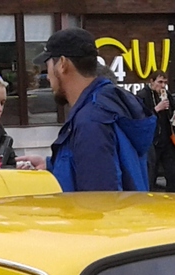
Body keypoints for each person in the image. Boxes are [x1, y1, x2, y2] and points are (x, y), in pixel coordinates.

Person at [36, 28, 153, 192]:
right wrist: (50, 165)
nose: (47, 76)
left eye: (47, 65)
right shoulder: (107, 105)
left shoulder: (91, 122)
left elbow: (98, 202)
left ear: (62, 64)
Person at [139, 73, 175, 191]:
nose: (162, 86)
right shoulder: (143, 96)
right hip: (152, 142)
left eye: (164, 83)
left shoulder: (167, 95)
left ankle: (173, 200)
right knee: (151, 175)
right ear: (152, 82)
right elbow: (140, 118)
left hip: (167, 139)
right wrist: (157, 108)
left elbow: (172, 118)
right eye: (160, 82)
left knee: (172, 176)